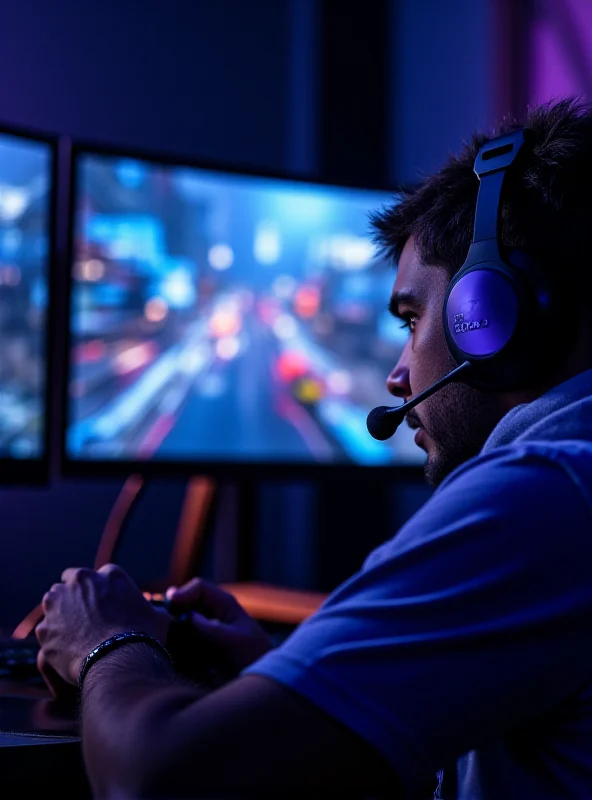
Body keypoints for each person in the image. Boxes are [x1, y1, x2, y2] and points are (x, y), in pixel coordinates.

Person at [36, 96, 592, 799]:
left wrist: (104, 640)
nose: (396, 374)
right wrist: (288, 678)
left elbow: (159, 779)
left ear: (493, 318)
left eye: (412, 318)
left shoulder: (544, 495)